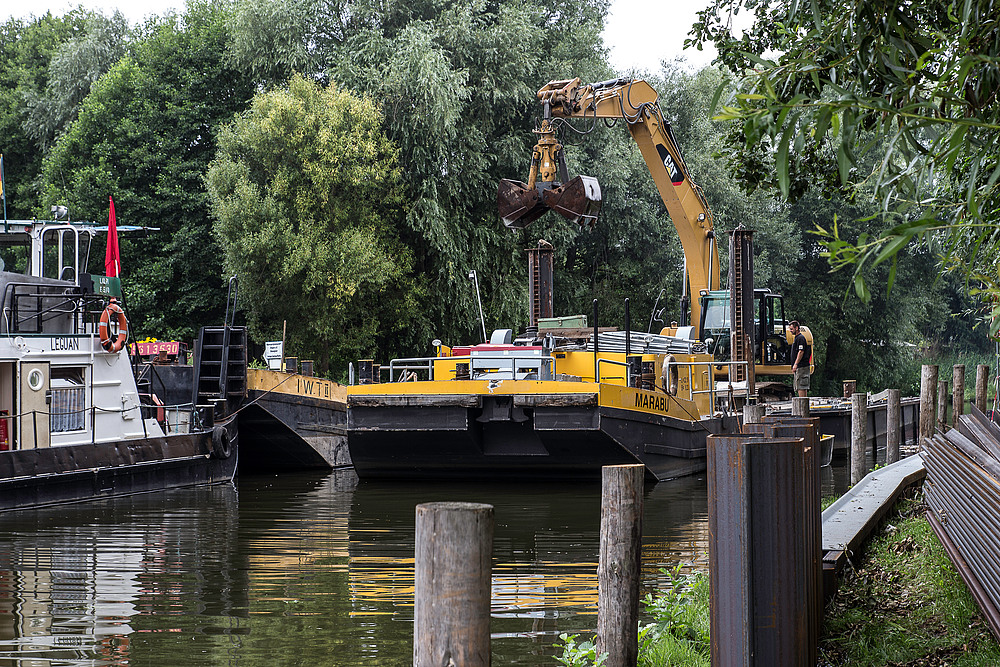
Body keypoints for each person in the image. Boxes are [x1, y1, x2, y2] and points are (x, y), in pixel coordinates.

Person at [789, 320, 810, 397]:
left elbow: (801, 352)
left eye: (791, 329)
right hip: (799, 367)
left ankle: (802, 403)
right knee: (799, 386)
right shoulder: (796, 338)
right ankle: (802, 402)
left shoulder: (800, 338)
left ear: (797, 328)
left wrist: (795, 364)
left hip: (802, 366)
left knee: (801, 386)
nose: (790, 331)